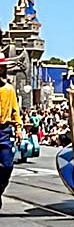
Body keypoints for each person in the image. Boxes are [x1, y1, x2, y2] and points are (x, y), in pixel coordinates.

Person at [0, 61, 23, 210]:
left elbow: (15, 111)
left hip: (4, 131)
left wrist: (18, 129)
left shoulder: (9, 90)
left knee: (7, 165)